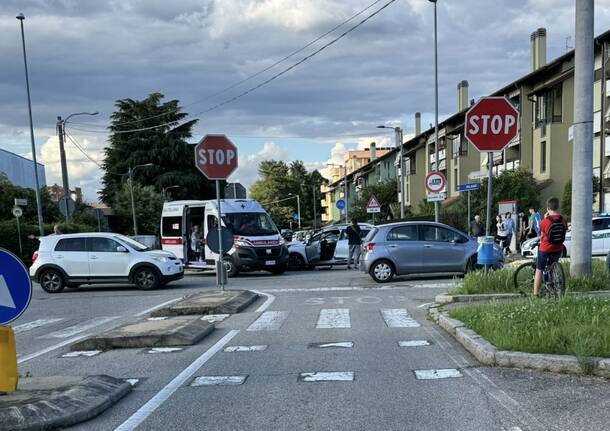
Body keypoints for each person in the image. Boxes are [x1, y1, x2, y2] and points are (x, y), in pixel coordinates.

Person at [533, 197, 567, 297]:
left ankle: (535, 294)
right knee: (553, 265)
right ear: (558, 207)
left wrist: (544, 218)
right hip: (558, 248)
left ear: (548, 208)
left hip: (545, 249)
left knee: (539, 269)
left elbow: (542, 234)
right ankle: (553, 288)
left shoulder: (544, 221)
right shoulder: (563, 220)